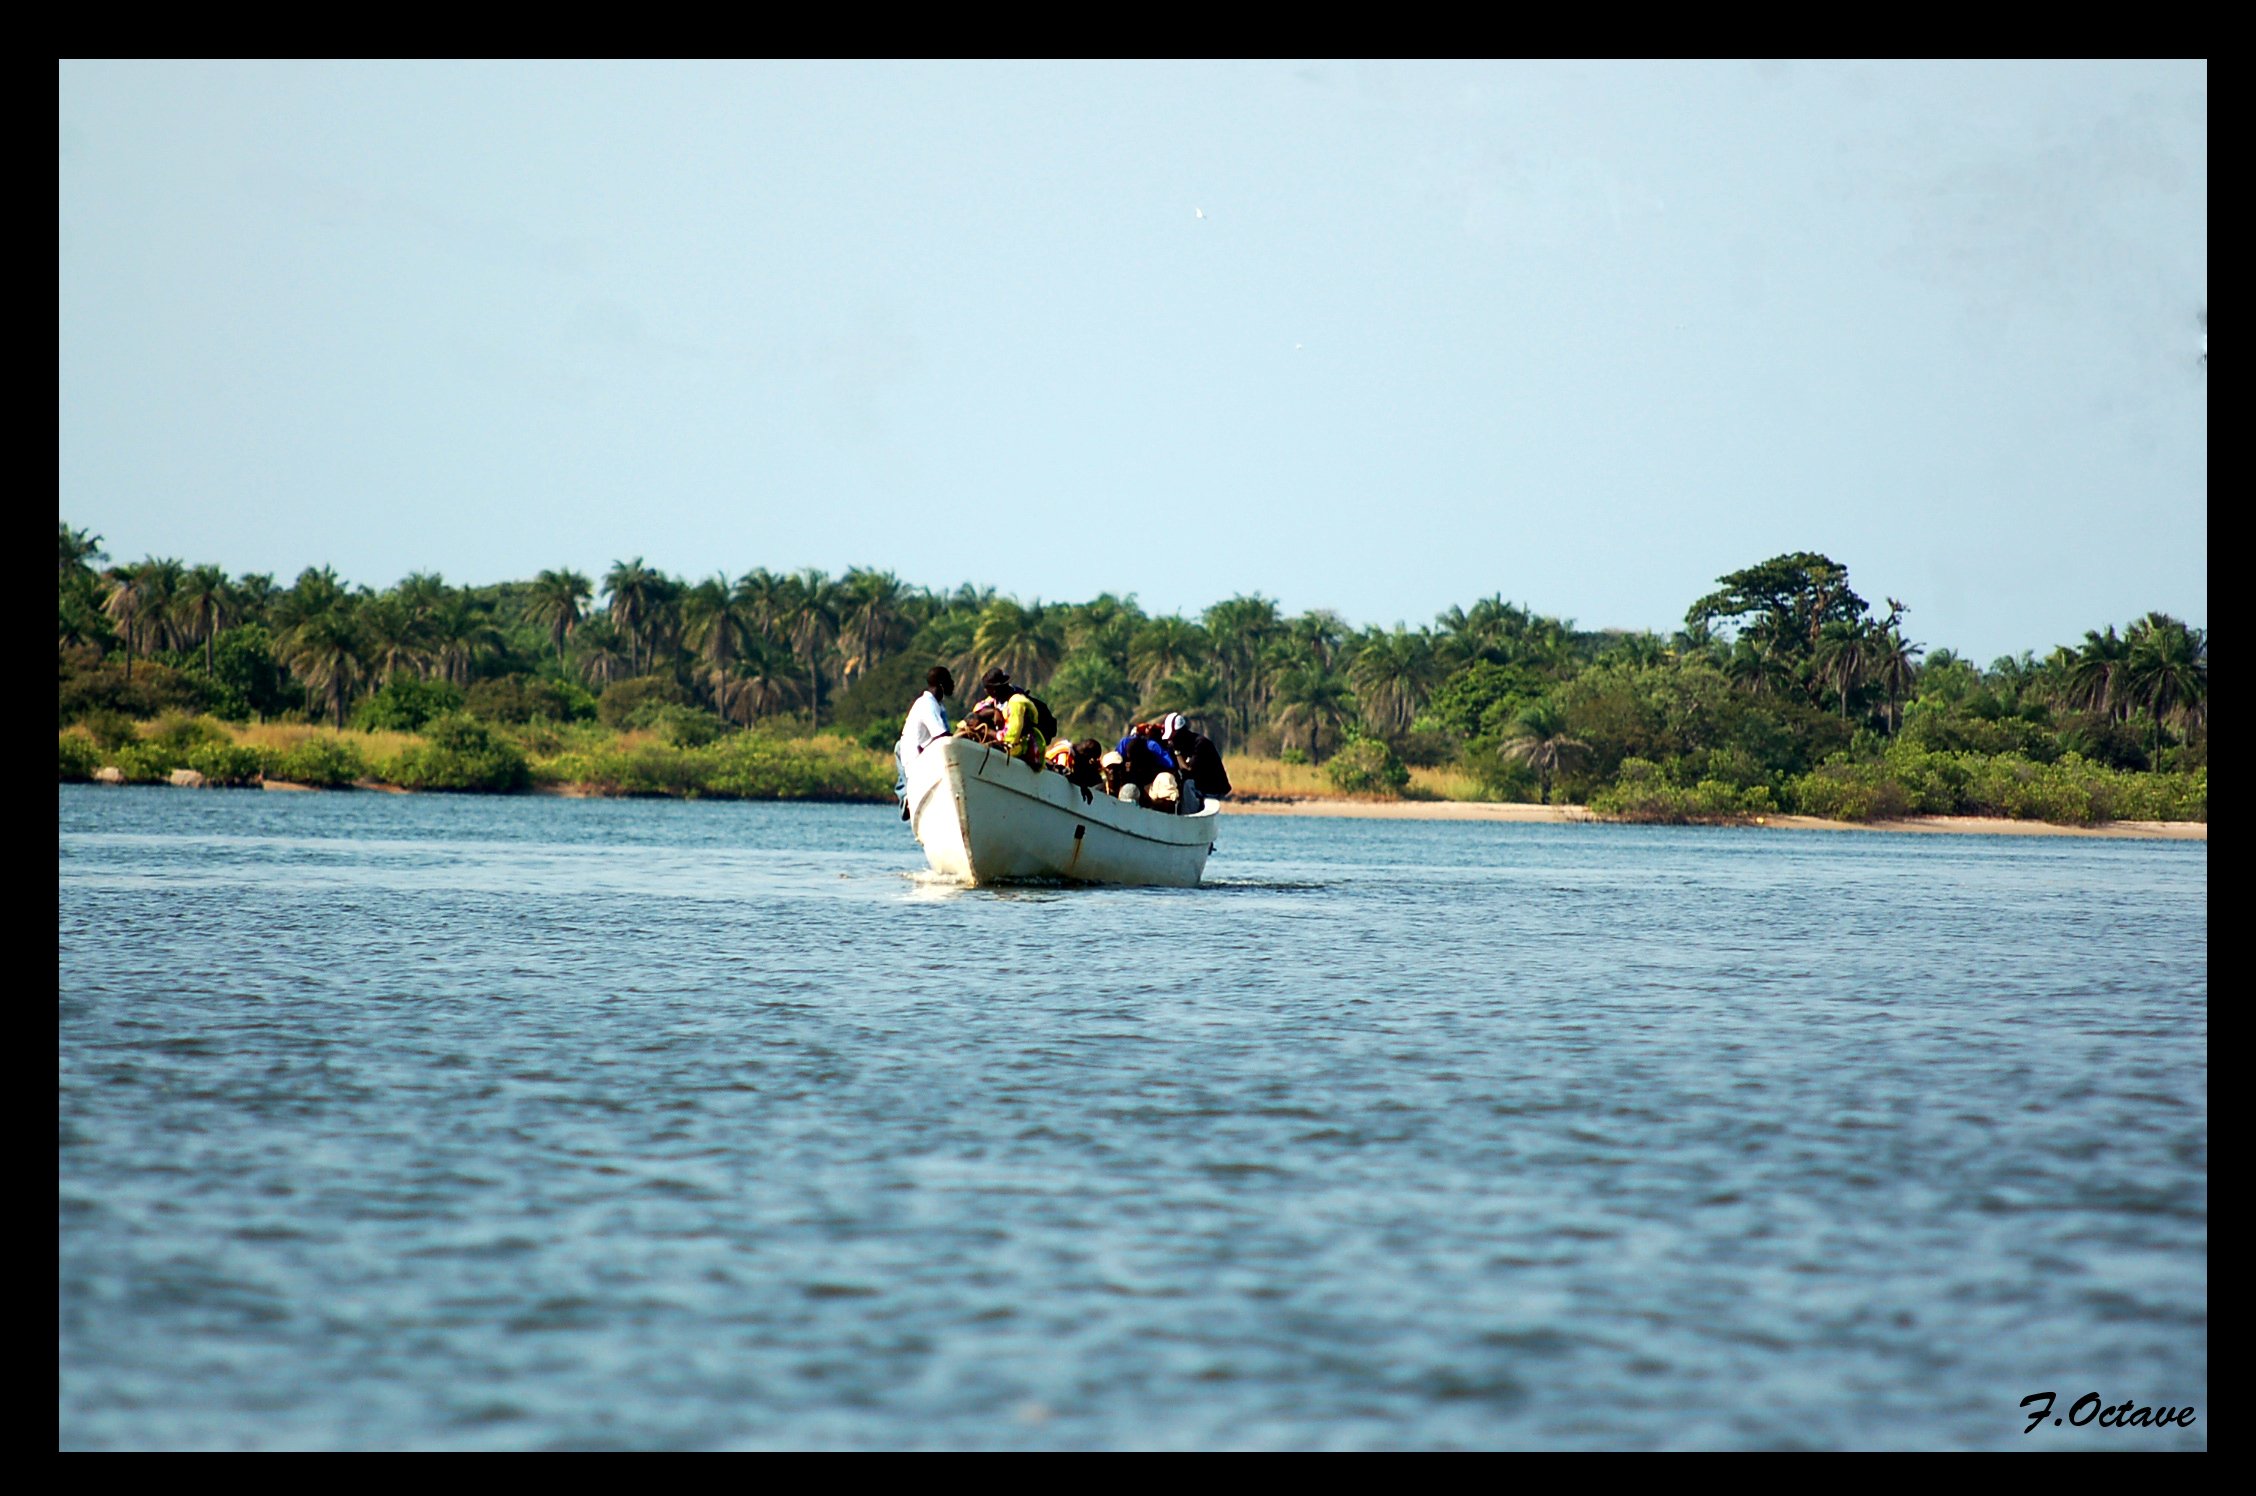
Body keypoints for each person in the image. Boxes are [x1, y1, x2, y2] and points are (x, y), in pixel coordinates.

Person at [893, 666, 954, 817]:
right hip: (916, 764)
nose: (952, 684)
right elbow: (942, 736)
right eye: (949, 681)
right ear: (941, 684)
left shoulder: (938, 705)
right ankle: (908, 800)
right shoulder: (927, 704)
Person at [1154, 711, 1231, 814]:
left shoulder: (1200, 744)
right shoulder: (1175, 746)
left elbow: (1189, 769)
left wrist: (1177, 752)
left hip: (1213, 788)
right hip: (1198, 786)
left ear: (1181, 732)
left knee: (1188, 784)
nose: (1170, 741)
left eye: (1173, 737)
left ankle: (1189, 817)